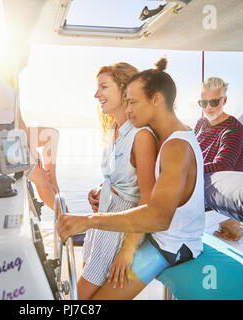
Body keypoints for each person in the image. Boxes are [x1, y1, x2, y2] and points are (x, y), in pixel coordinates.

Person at [56, 58, 205, 300]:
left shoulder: (176, 147)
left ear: (156, 99)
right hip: (154, 235)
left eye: (133, 102)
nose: (129, 108)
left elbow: (158, 217)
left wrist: (92, 222)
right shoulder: (168, 138)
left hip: (170, 246)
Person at [79, 62, 157, 300]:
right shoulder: (114, 130)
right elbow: (120, 179)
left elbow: (147, 199)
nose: (96, 94)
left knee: (80, 297)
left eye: (103, 87)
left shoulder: (141, 135)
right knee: (82, 293)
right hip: (103, 218)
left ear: (124, 90)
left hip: (122, 227)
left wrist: (128, 249)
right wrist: (101, 190)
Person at [0, 48, 60, 209]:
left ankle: (53, 179)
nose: (26, 63)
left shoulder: (13, 81)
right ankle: (69, 223)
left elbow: (19, 119)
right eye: (24, 57)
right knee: (41, 179)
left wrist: (30, 148)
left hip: (13, 135)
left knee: (52, 136)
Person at [195, 77, 243, 241]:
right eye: (203, 103)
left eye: (214, 102)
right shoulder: (201, 123)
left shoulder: (233, 129)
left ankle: (231, 224)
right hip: (199, 192)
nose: (208, 108)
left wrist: (186, 169)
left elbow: (222, 164)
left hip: (218, 203)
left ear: (224, 100)